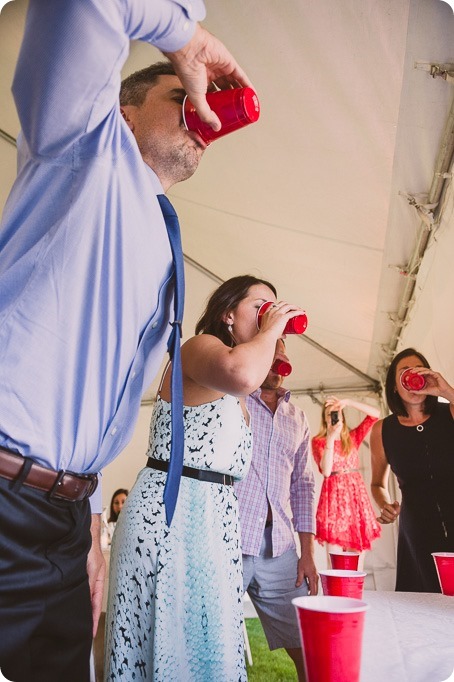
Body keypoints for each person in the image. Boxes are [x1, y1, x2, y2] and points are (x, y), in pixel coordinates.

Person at [0, 3, 251, 681]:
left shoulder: (164, 236)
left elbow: (95, 398)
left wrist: (84, 524)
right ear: (124, 111)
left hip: (61, 516)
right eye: (180, 96)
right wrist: (184, 39)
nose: (205, 111)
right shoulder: (84, 146)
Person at [104, 275, 306, 681]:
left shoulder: (242, 385)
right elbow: (243, 372)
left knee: (205, 640)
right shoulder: (199, 347)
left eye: (273, 306)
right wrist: (271, 329)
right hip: (172, 507)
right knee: (168, 636)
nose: (270, 313)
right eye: (259, 305)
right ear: (227, 314)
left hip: (212, 515)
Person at [235, 338, 318, 682]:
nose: (279, 361)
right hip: (230, 542)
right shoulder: (229, 401)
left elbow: (304, 485)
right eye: (272, 352)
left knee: (308, 645)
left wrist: (307, 552)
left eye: (283, 354)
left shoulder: (297, 417)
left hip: (280, 548)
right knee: (209, 640)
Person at [370, 347, 454, 592]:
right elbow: (377, 484)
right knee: (426, 604)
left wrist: (446, 391)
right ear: (395, 386)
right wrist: (385, 504)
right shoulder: (382, 430)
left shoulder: (448, 410)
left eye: (419, 370)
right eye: (405, 372)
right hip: (418, 531)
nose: (413, 376)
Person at [312, 396, 381, 552]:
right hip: (334, 498)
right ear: (325, 419)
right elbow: (327, 471)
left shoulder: (352, 438)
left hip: (355, 497)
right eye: (330, 414)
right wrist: (330, 437)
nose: (334, 417)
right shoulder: (319, 441)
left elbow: (375, 415)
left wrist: (349, 402)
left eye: (337, 413)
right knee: (335, 555)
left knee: (357, 553)